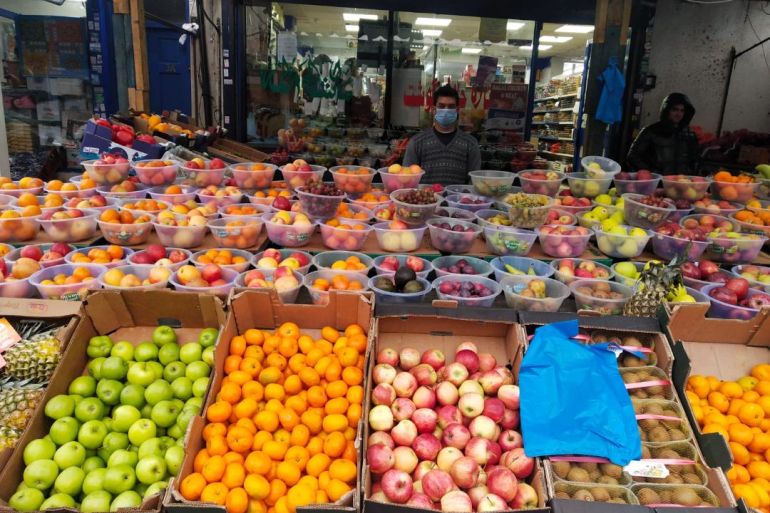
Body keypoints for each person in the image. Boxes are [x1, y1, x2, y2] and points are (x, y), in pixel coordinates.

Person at [403, 85, 481, 185]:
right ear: (433, 109)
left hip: (457, 195)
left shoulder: (470, 143)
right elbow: (406, 179)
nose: (446, 110)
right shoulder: (417, 142)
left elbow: (474, 182)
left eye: (451, 107)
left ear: (457, 110)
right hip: (425, 195)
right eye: (441, 106)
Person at [627, 93, 700, 175]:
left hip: (682, 181)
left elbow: (696, 159)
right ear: (666, 110)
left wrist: (691, 176)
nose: (678, 114)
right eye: (674, 109)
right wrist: (651, 173)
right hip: (658, 181)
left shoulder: (689, 134)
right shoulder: (651, 131)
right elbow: (633, 156)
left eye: (682, 110)